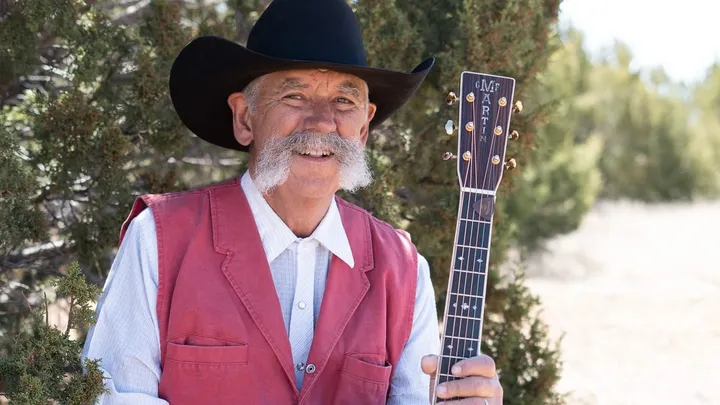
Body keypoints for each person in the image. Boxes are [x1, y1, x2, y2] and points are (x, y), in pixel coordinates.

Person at [81, 0, 504, 403]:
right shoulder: (159, 239)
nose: (322, 122)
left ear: (363, 128)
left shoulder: (404, 269)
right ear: (245, 118)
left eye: (344, 101)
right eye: (295, 96)